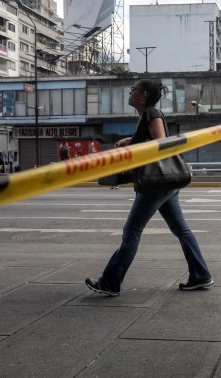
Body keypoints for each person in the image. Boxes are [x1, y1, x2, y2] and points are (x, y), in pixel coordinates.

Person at [86, 80, 213, 296]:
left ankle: (110, 282)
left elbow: (160, 144)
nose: (130, 92)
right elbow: (150, 139)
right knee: (181, 230)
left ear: (143, 95)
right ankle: (201, 275)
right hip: (166, 184)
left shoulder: (151, 113)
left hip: (156, 184)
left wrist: (132, 145)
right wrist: (130, 141)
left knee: (131, 232)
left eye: (133, 90)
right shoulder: (147, 115)